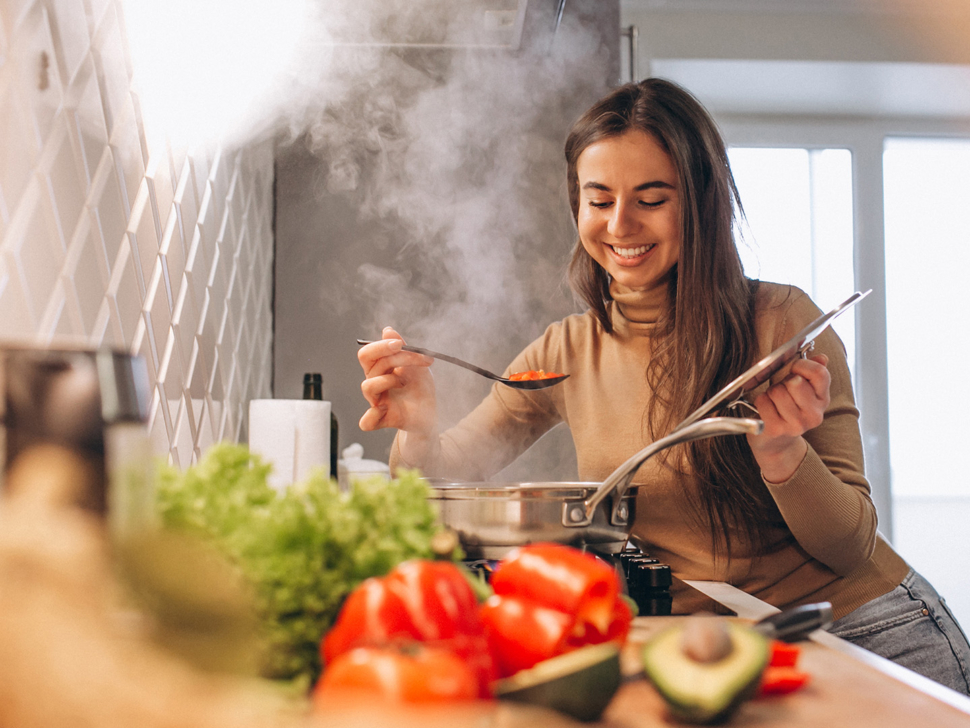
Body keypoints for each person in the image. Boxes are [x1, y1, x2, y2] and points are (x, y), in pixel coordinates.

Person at [356, 77, 970, 694]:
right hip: (722, 648)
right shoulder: (566, 348)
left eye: (651, 199)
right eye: (599, 200)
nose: (620, 225)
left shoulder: (781, 324)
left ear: (700, 203)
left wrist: (783, 454)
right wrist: (418, 426)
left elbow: (852, 548)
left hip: (868, 632)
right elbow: (444, 474)